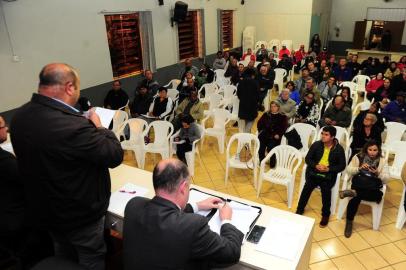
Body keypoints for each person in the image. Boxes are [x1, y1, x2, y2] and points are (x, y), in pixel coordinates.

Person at [10, 63, 124, 270]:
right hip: (80, 215)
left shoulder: (19, 118)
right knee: (91, 257)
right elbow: (114, 155)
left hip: (46, 211)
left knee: (63, 257)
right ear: (70, 87)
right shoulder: (73, 126)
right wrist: (98, 126)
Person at [123, 159, 243, 270]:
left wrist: (197, 206)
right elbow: (232, 253)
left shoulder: (133, 205)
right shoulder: (194, 226)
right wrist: (226, 220)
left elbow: (163, 215)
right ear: (183, 187)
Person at [296, 126, 346, 227]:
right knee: (307, 187)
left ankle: (325, 215)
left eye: (326, 135)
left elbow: (342, 165)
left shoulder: (339, 149)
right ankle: (300, 209)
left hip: (328, 175)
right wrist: (316, 165)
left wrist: (329, 169)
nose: (323, 136)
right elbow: (308, 159)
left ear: (332, 137)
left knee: (326, 191)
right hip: (314, 172)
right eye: (322, 133)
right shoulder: (316, 145)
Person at [340, 141, 388, 238]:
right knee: (355, 200)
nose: (372, 152)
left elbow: (387, 179)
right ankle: (349, 222)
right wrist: (359, 168)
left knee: (376, 196)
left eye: (375, 150)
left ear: (378, 151)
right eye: (370, 150)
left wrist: (378, 173)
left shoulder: (382, 161)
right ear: (366, 149)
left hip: (373, 187)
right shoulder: (358, 157)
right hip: (359, 184)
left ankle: (353, 193)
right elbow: (348, 170)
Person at [237, 68, 259, 133]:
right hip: (252, 105)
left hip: (243, 104)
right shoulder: (255, 82)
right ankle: (245, 136)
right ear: (252, 75)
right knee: (251, 120)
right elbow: (258, 95)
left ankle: (247, 137)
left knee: (246, 120)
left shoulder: (241, 82)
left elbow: (238, 94)